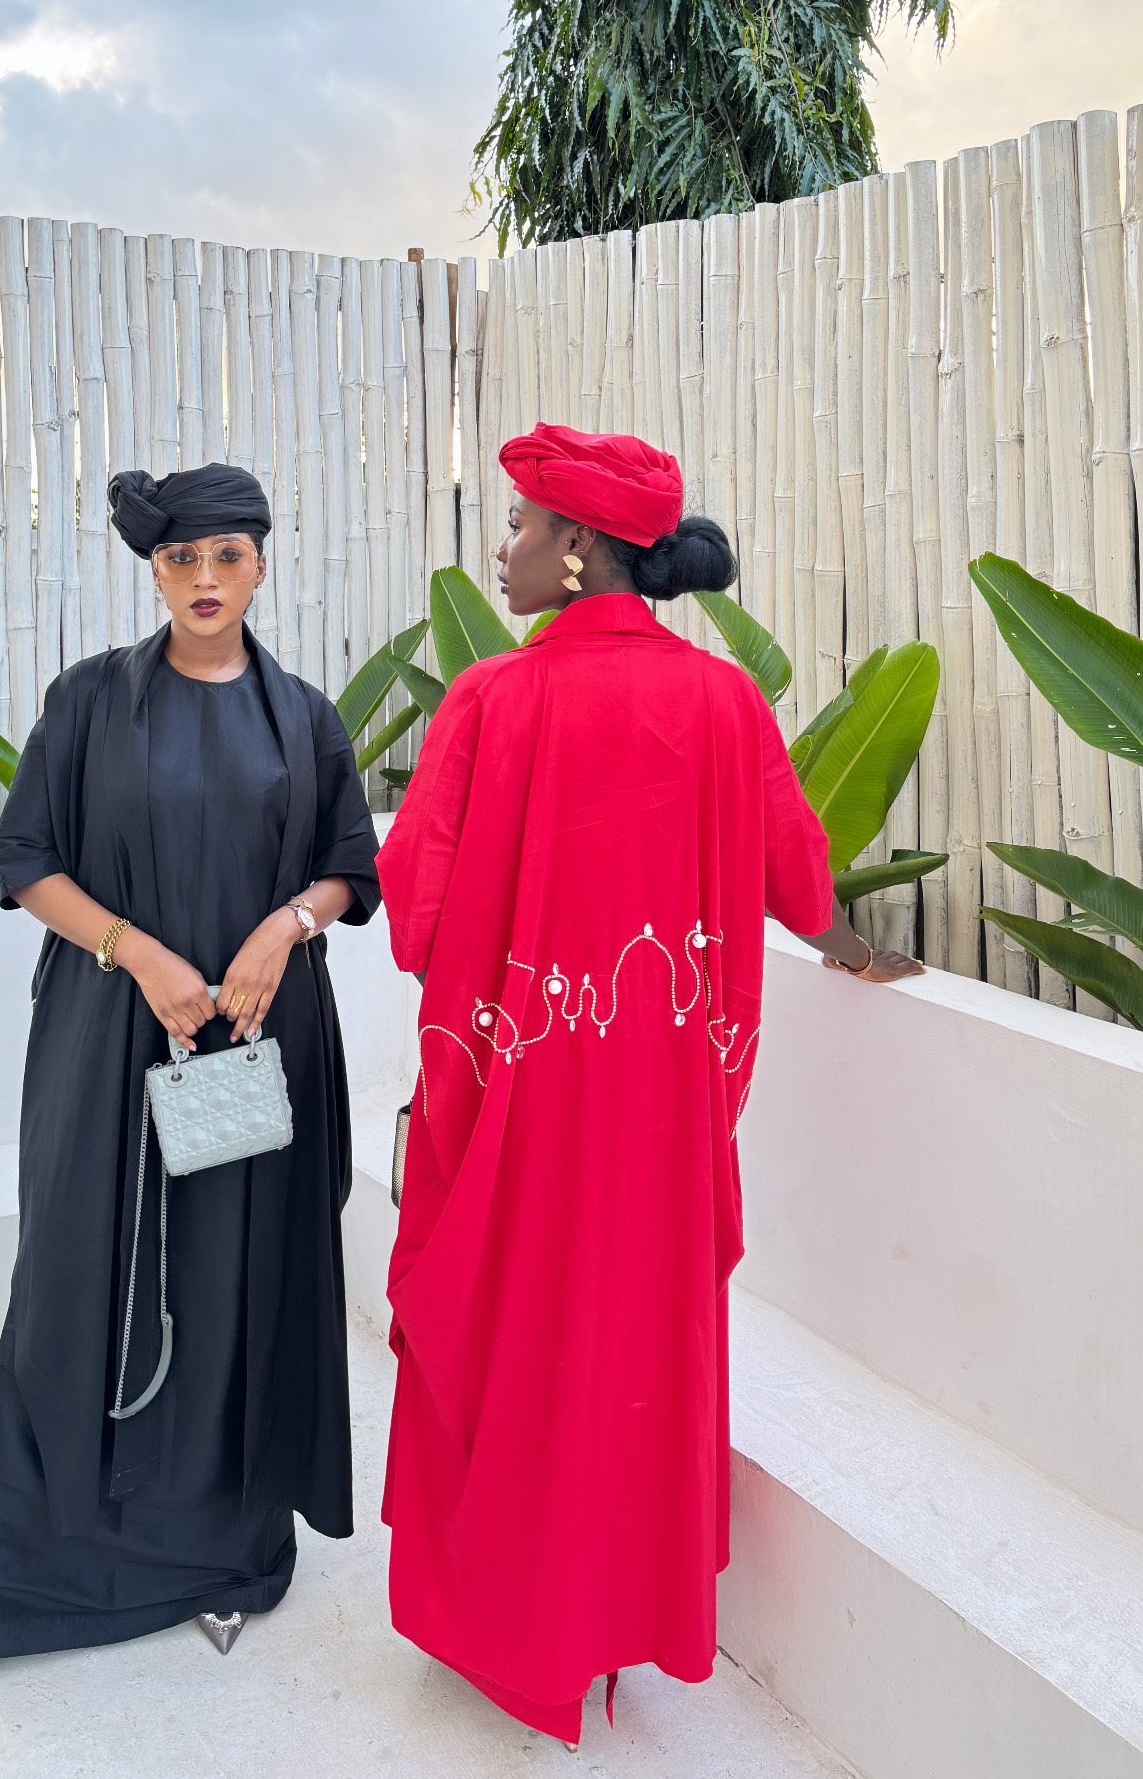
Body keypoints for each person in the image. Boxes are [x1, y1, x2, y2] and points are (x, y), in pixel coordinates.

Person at [377, 422, 921, 1751]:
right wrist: (854, 952)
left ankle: (511, 1625)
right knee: (629, 1351)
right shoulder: (724, 703)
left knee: (512, 1341)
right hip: (660, 1116)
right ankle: (611, 1617)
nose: (504, 549)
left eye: (519, 524)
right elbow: (795, 875)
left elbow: (417, 911)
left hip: (522, 1105)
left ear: (575, 548)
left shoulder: (491, 702)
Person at [0, 463, 381, 1723]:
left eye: (228, 555)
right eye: (182, 559)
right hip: (107, 1041)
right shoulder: (87, 703)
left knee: (236, 1284)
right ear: (155, 571)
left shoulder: (305, 719)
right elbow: (27, 859)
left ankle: (226, 1555)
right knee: (74, 1283)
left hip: (254, 1045)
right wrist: (140, 954)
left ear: (263, 564)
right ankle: (5, 1583)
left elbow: (348, 863)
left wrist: (283, 927)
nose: (206, 579)